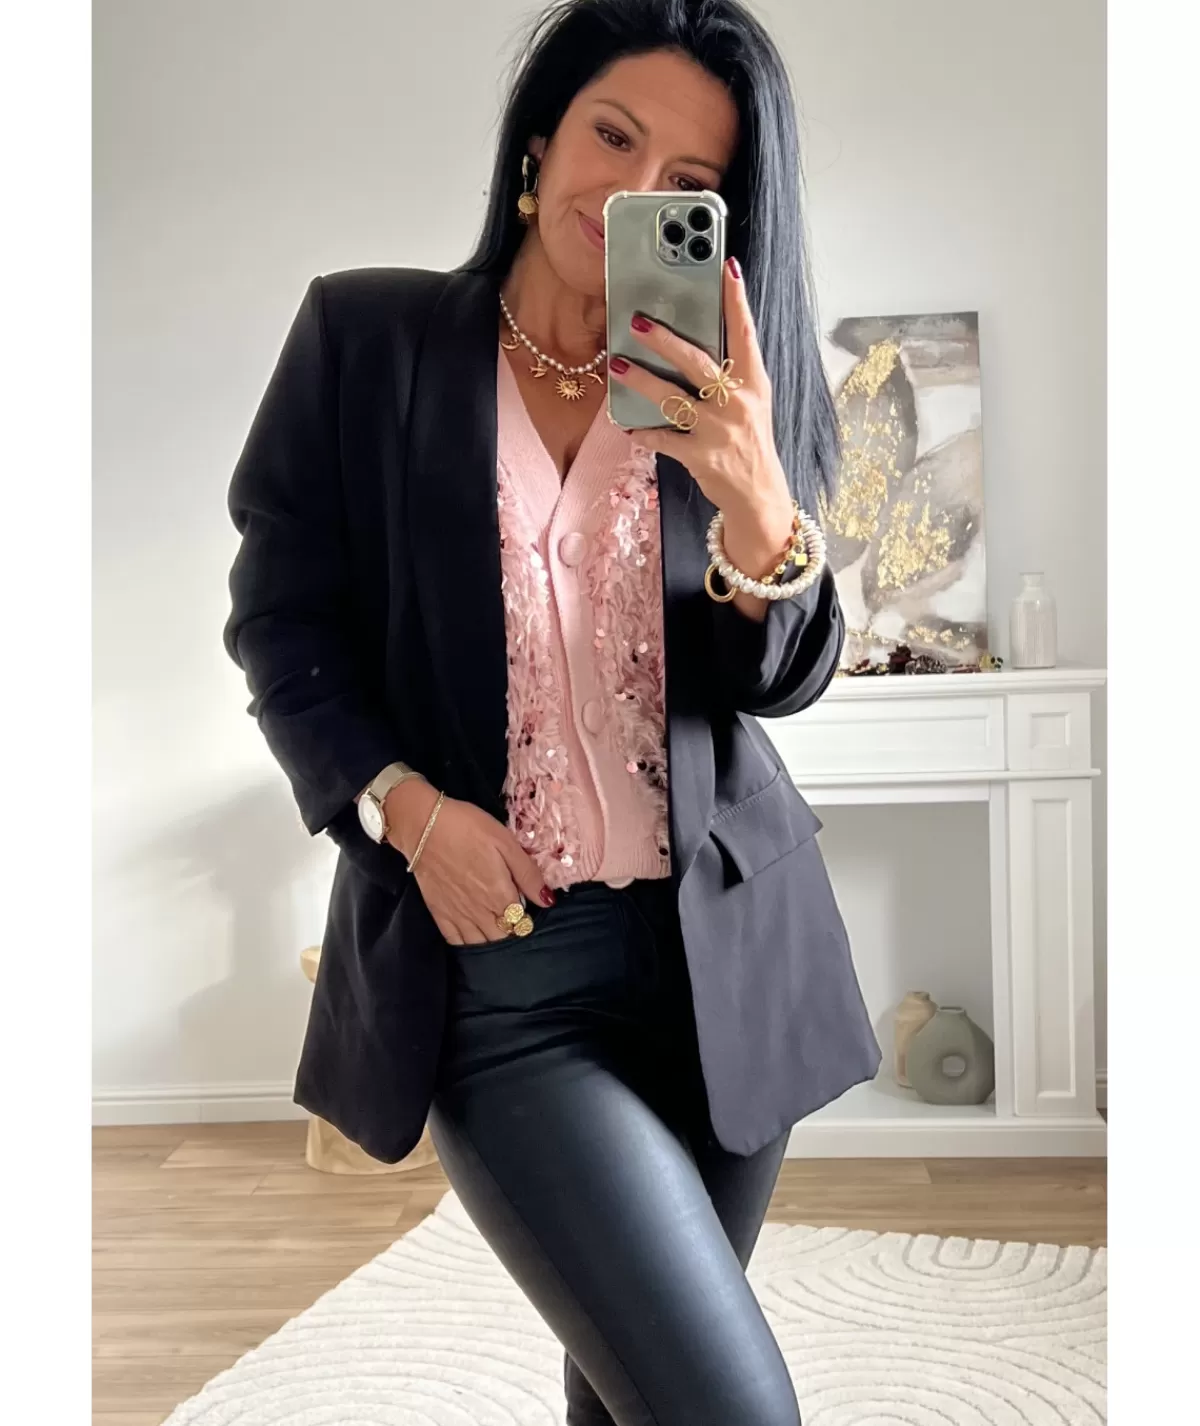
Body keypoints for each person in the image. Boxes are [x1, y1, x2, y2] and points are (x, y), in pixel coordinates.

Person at [223, 2, 881, 1421]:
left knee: (634, 1392)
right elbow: (282, 628)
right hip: (505, 974)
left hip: (724, 962)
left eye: (690, 182)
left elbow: (779, 680)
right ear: (538, 143)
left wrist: (760, 501)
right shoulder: (368, 342)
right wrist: (408, 812)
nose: (636, 188)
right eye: (613, 135)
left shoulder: (731, 383)